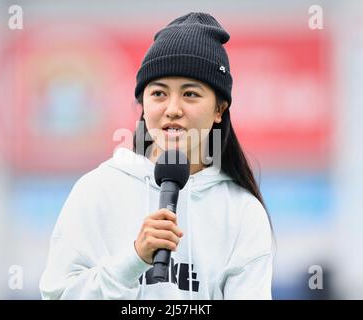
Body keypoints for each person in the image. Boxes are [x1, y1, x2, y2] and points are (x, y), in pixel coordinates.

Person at [39, 12, 274, 300]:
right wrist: (133, 259)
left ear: (219, 109)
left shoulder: (241, 212)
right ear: (143, 103)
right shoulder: (97, 190)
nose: (172, 109)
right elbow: (58, 296)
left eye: (190, 94)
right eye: (159, 94)